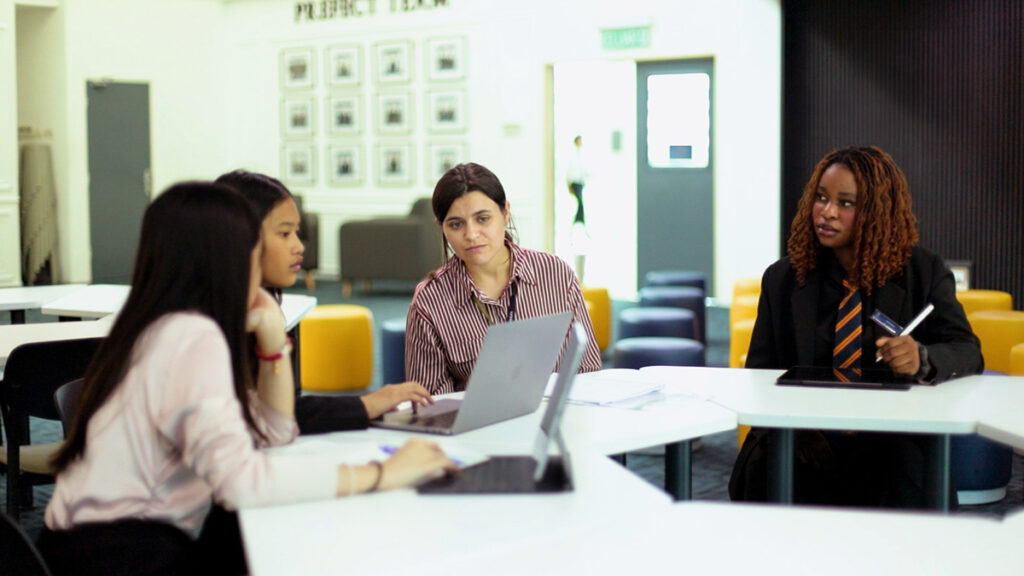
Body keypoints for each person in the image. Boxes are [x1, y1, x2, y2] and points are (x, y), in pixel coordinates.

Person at [38, 182, 455, 575]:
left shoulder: (160, 324)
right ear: (227, 256)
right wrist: (380, 474)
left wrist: (273, 343)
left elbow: (273, 431)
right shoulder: (191, 337)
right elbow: (242, 483)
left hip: (98, 543)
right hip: (120, 555)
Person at [728, 146, 983, 508]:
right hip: (800, 431)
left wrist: (921, 358)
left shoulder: (923, 272)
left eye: (845, 203)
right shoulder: (783, 278)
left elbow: (967, 351)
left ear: (877, 212)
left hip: (891, 433)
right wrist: (795, 429)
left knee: (903, 474)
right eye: (821, 198)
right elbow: (760, 375)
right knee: (771, 468)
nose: (827, 212)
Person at [215, 170, 433, 434]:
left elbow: (279, 414)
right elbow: (269, 420)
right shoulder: (206, 334)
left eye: (297, 233)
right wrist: (365, 405)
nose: (299, 247)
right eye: (284, 234)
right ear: (240, 238)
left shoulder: (262, 306)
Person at [405, 162, 602, 395]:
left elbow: (587, 371)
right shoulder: (429, 301)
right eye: (456, 224)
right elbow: (433, 404)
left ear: (505, 212)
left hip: (557, 415)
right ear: (442, 227)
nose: (471, 234)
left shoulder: (556, 274)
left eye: (482, 219)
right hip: (477, 419)